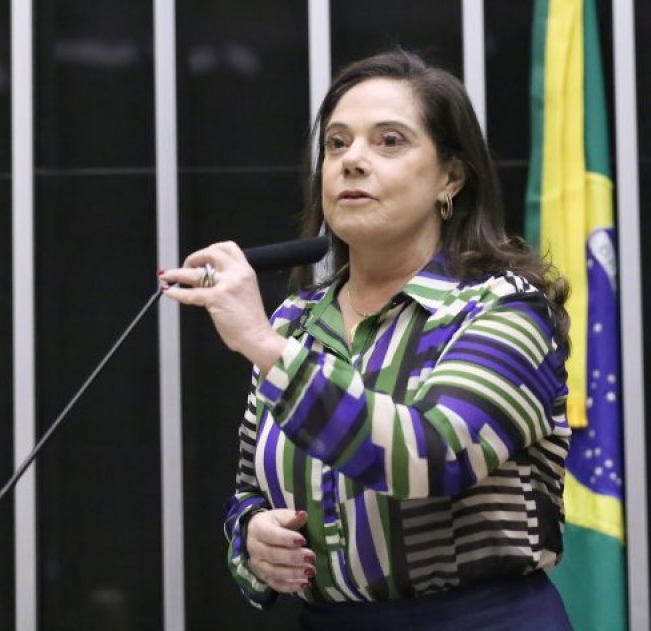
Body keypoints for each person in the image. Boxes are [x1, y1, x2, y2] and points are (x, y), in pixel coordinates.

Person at [160, 49, 573, 631]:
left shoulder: (504, 309)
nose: (352, 160)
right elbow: (250, 488)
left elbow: (434, 455)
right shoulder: (295, 320)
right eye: (336, 144)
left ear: (451, 177)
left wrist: (264, 346)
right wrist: (254, 538)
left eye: (389, 141)